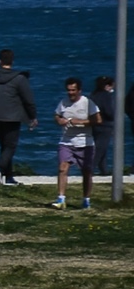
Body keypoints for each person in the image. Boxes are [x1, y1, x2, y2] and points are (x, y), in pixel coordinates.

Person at [0, 49, 37, 186]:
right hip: (13, 116)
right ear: (12, 61)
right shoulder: (19, 78)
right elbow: (28, 100)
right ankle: (0, 168)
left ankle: (8, 177)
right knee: (11, 146)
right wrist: (32, 116)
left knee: (4, 146)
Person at [52, 77, 100, 210]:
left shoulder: (87, 103)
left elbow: (98, 120)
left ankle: (86, 200)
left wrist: (80, 122)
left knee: (87, 172)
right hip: (67, 141)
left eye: (73, 90)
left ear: (79, 90)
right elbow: (57, 115)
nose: (71, 93)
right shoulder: (64, 102)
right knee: (62, 168)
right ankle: (61, 199)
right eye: (68, 90)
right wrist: (59, 120)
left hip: (85, 142)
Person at [88, 76, 117, 176]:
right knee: (100, 149)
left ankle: (104, 170)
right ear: (107, 86)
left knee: (101, 148)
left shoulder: (93, 95)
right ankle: (90, 170)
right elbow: (109, 112)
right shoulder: (106, 96)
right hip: (106, 125)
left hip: (94, 124)